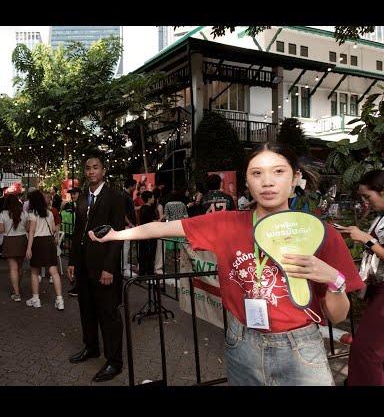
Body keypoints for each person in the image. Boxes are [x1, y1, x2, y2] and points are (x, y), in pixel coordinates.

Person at [89, 143, 363, 386]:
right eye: (257, 173)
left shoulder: (320, 233)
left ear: (295, 179)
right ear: (247, 182)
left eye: (278, 172)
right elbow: (162, 228)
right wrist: (116, 235)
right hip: (242, 342)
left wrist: (334, 281)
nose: (267, 182)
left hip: (300, 348)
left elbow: (338, 317)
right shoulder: (226, 223)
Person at [68, 155, 125, 383]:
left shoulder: (115, 197)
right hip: (83, 266)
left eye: (95, 168)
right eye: (88, 168)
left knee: (109, 314)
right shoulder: (82, 197)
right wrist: (72, 261)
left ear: (103, 170)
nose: (91, 172)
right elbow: (77, 231)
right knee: (87, 309)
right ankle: (91, 347)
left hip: (104, 267)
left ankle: (115, 362)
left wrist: (109, 268)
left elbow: (118, 235)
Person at [339, 170, 384, 385]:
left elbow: (374, 245)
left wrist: (367, 240)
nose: (366, 202)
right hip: (377, 289)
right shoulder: (380, 216)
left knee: (365, 349)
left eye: (368, 196)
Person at [25, 190, 64, 310]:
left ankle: (36, 299)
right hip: (49, 242)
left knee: (34, 272)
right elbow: (53, 229)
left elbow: (31, 232)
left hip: (38, 242)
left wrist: (28, 248)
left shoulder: (32, 214)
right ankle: (59, 300)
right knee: (54, 271)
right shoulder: (49, 213)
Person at [0, 194, 28, 301]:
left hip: (9, 241)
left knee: (13, 268)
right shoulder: (24, 213)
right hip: (22, 240)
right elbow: (28, 228)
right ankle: (17, 288)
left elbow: (1, 230)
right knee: (19, 268)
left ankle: (16, 294)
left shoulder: (3, 214)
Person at [137, 191, 157, 276]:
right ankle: (149, 273)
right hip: (150, 235)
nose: (154, 199)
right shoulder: (149, 209)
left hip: (143, 234)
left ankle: (142, 273)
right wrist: (162, 218)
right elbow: (153, 222)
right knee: (150, 255)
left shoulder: (142, 208)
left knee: (143, 254)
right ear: (149, 199)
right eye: (152, 197)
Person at [121, 178, 137, 278]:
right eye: (134, 186)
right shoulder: (124, 196)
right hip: (126, 225)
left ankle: (125, 265)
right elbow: (122, 212)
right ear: (131, 185)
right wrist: (130, 223)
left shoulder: (126, 195)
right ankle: (124, 268)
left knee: (127, 246)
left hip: (128, 224)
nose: (135, 188)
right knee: (125, 247)